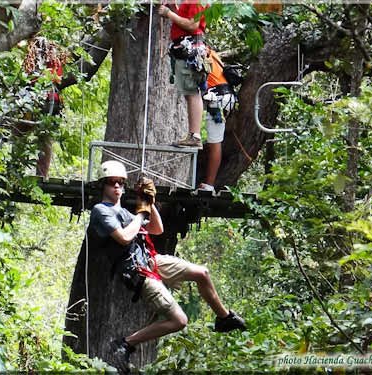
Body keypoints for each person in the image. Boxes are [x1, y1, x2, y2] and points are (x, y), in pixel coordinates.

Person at [88, 160, 247, 373]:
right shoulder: (101, 211)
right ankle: (126, 343)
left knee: (202, 272)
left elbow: (157, 229)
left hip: (151, 260)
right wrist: (142, 213)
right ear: (102, 186)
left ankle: (224, 318)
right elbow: (125, 238)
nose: (116, 187)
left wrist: (149, 202)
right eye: (111, 183)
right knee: (180, 320)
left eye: (120, 183)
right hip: (138, 272)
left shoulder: (126, 213)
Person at [158, 1, 209, 150]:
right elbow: (185, 19)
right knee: (190, 92)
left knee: (192, 92)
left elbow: (193, 25)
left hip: (189, 48)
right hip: (186, 48)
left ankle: (195, 135)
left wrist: (169, 14)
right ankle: (193, 134)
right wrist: (173, 8)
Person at [198, 48, 237, 193]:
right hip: (220, 97)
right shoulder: (210, 53)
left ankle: (209, 184)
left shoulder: (201, 53)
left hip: (218, 99)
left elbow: (201, 78)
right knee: (215, 140)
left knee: (215, 141)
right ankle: (209, 183)